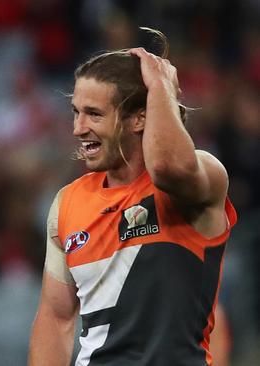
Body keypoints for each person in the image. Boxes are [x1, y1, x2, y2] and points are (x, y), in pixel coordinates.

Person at [28, 28, 237, 365]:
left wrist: (160, 88)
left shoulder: (201, 179)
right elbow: (56, 319)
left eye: (94, 114)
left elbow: (168, 166)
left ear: (140, 117)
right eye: (75, 112)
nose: (78, 128)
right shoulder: (67, 203)